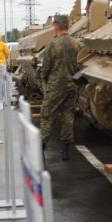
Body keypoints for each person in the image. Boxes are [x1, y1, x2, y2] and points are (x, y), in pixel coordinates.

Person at [40, 15, 81, 161]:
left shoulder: (52, 44)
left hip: (55, 87)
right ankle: (65, 151)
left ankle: (41, 149)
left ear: (56, 27)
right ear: (68, 27)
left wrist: (43, 77)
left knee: (47, 117)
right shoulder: (76, 44)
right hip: (71, 86)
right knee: (68, 117)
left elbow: (46, 67)